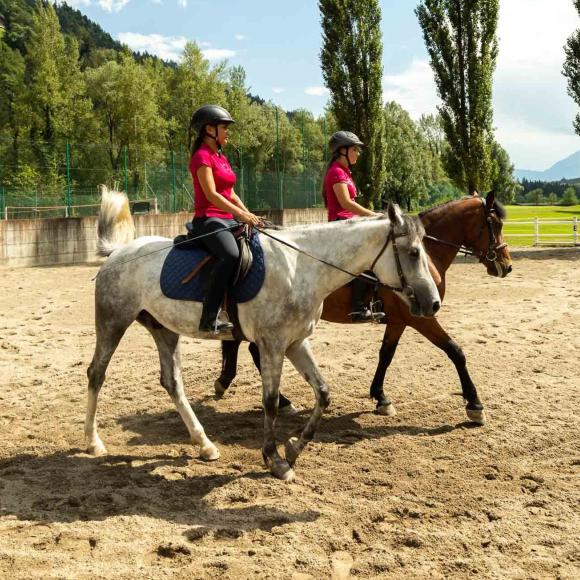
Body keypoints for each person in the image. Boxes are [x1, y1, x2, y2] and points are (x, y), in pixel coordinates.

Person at [188, 104, 263, 336]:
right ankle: (209, 316)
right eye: (224, 127)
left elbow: (230, 192)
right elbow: (211, 194)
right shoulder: (201, 157)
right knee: (230, 254)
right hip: (208, 220)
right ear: (209, 130)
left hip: (227, 219)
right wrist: (240, 215)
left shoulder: (220, 157)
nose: (227, 132)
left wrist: (249, 214)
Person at [323, 130, 383, 322]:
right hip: (342, 225)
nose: (358, 152)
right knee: (364, 259)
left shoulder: (345, 173)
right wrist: (374, 216)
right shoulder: (336, 172)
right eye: (355, 149)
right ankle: (358, 308)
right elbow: (346, 204)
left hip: (351, 223)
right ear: (342, 151)